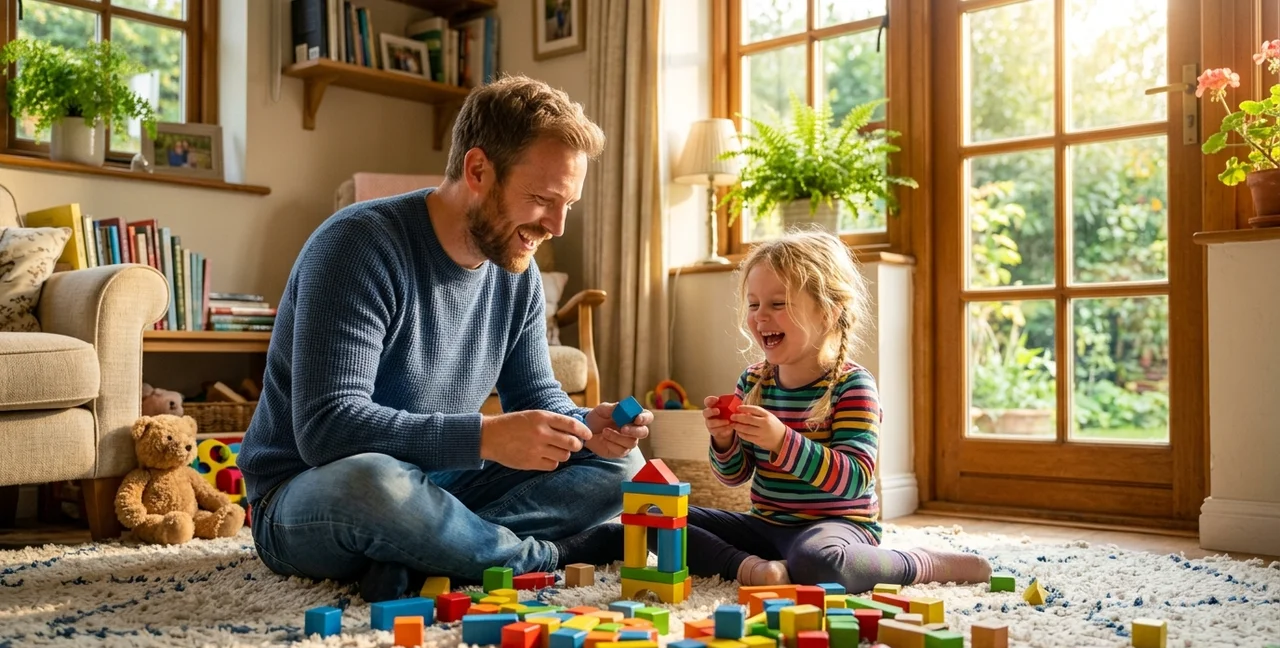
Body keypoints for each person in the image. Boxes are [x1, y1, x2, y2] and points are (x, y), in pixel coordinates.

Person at [238, 75, 651, 603]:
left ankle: (427, 550)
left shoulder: (515, 270)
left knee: (620, 465)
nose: (558, 226)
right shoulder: (356, 246)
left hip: (441, 483)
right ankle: (546, 555)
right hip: (308, 493)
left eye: (567, 203)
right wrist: (484, 437)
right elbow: (327, 430)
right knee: (374, 483)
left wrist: (582, 426)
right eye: (542, 199)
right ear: (478, 170)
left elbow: (534, 395)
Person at [671, 231, 991, 593]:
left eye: (778, 304)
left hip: (838, 529)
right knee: (661, 517)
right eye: (754, 304)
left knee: (817, 563)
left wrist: (781, 441)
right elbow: (735, 477)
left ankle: (921, 562)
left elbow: (853, 479)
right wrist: (724, 439)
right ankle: (753, 570)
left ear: (828, 311)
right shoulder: (753, 381)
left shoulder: (853, 387)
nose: (761, 317)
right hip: (765, 526)